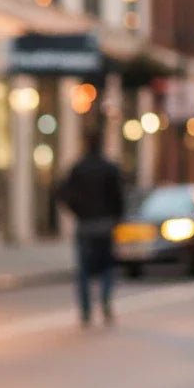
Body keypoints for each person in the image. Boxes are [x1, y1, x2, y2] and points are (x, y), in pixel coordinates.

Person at [57, 128, 125, 327]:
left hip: (85, 225)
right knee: (106, 268)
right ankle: (105, 302)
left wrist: (77, 211)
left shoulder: (78, 168)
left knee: (84, 269)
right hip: (104, 225)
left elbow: (62, 193)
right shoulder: (109, 168)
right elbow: (118, 197)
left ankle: (86, 310)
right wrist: (116, 218)